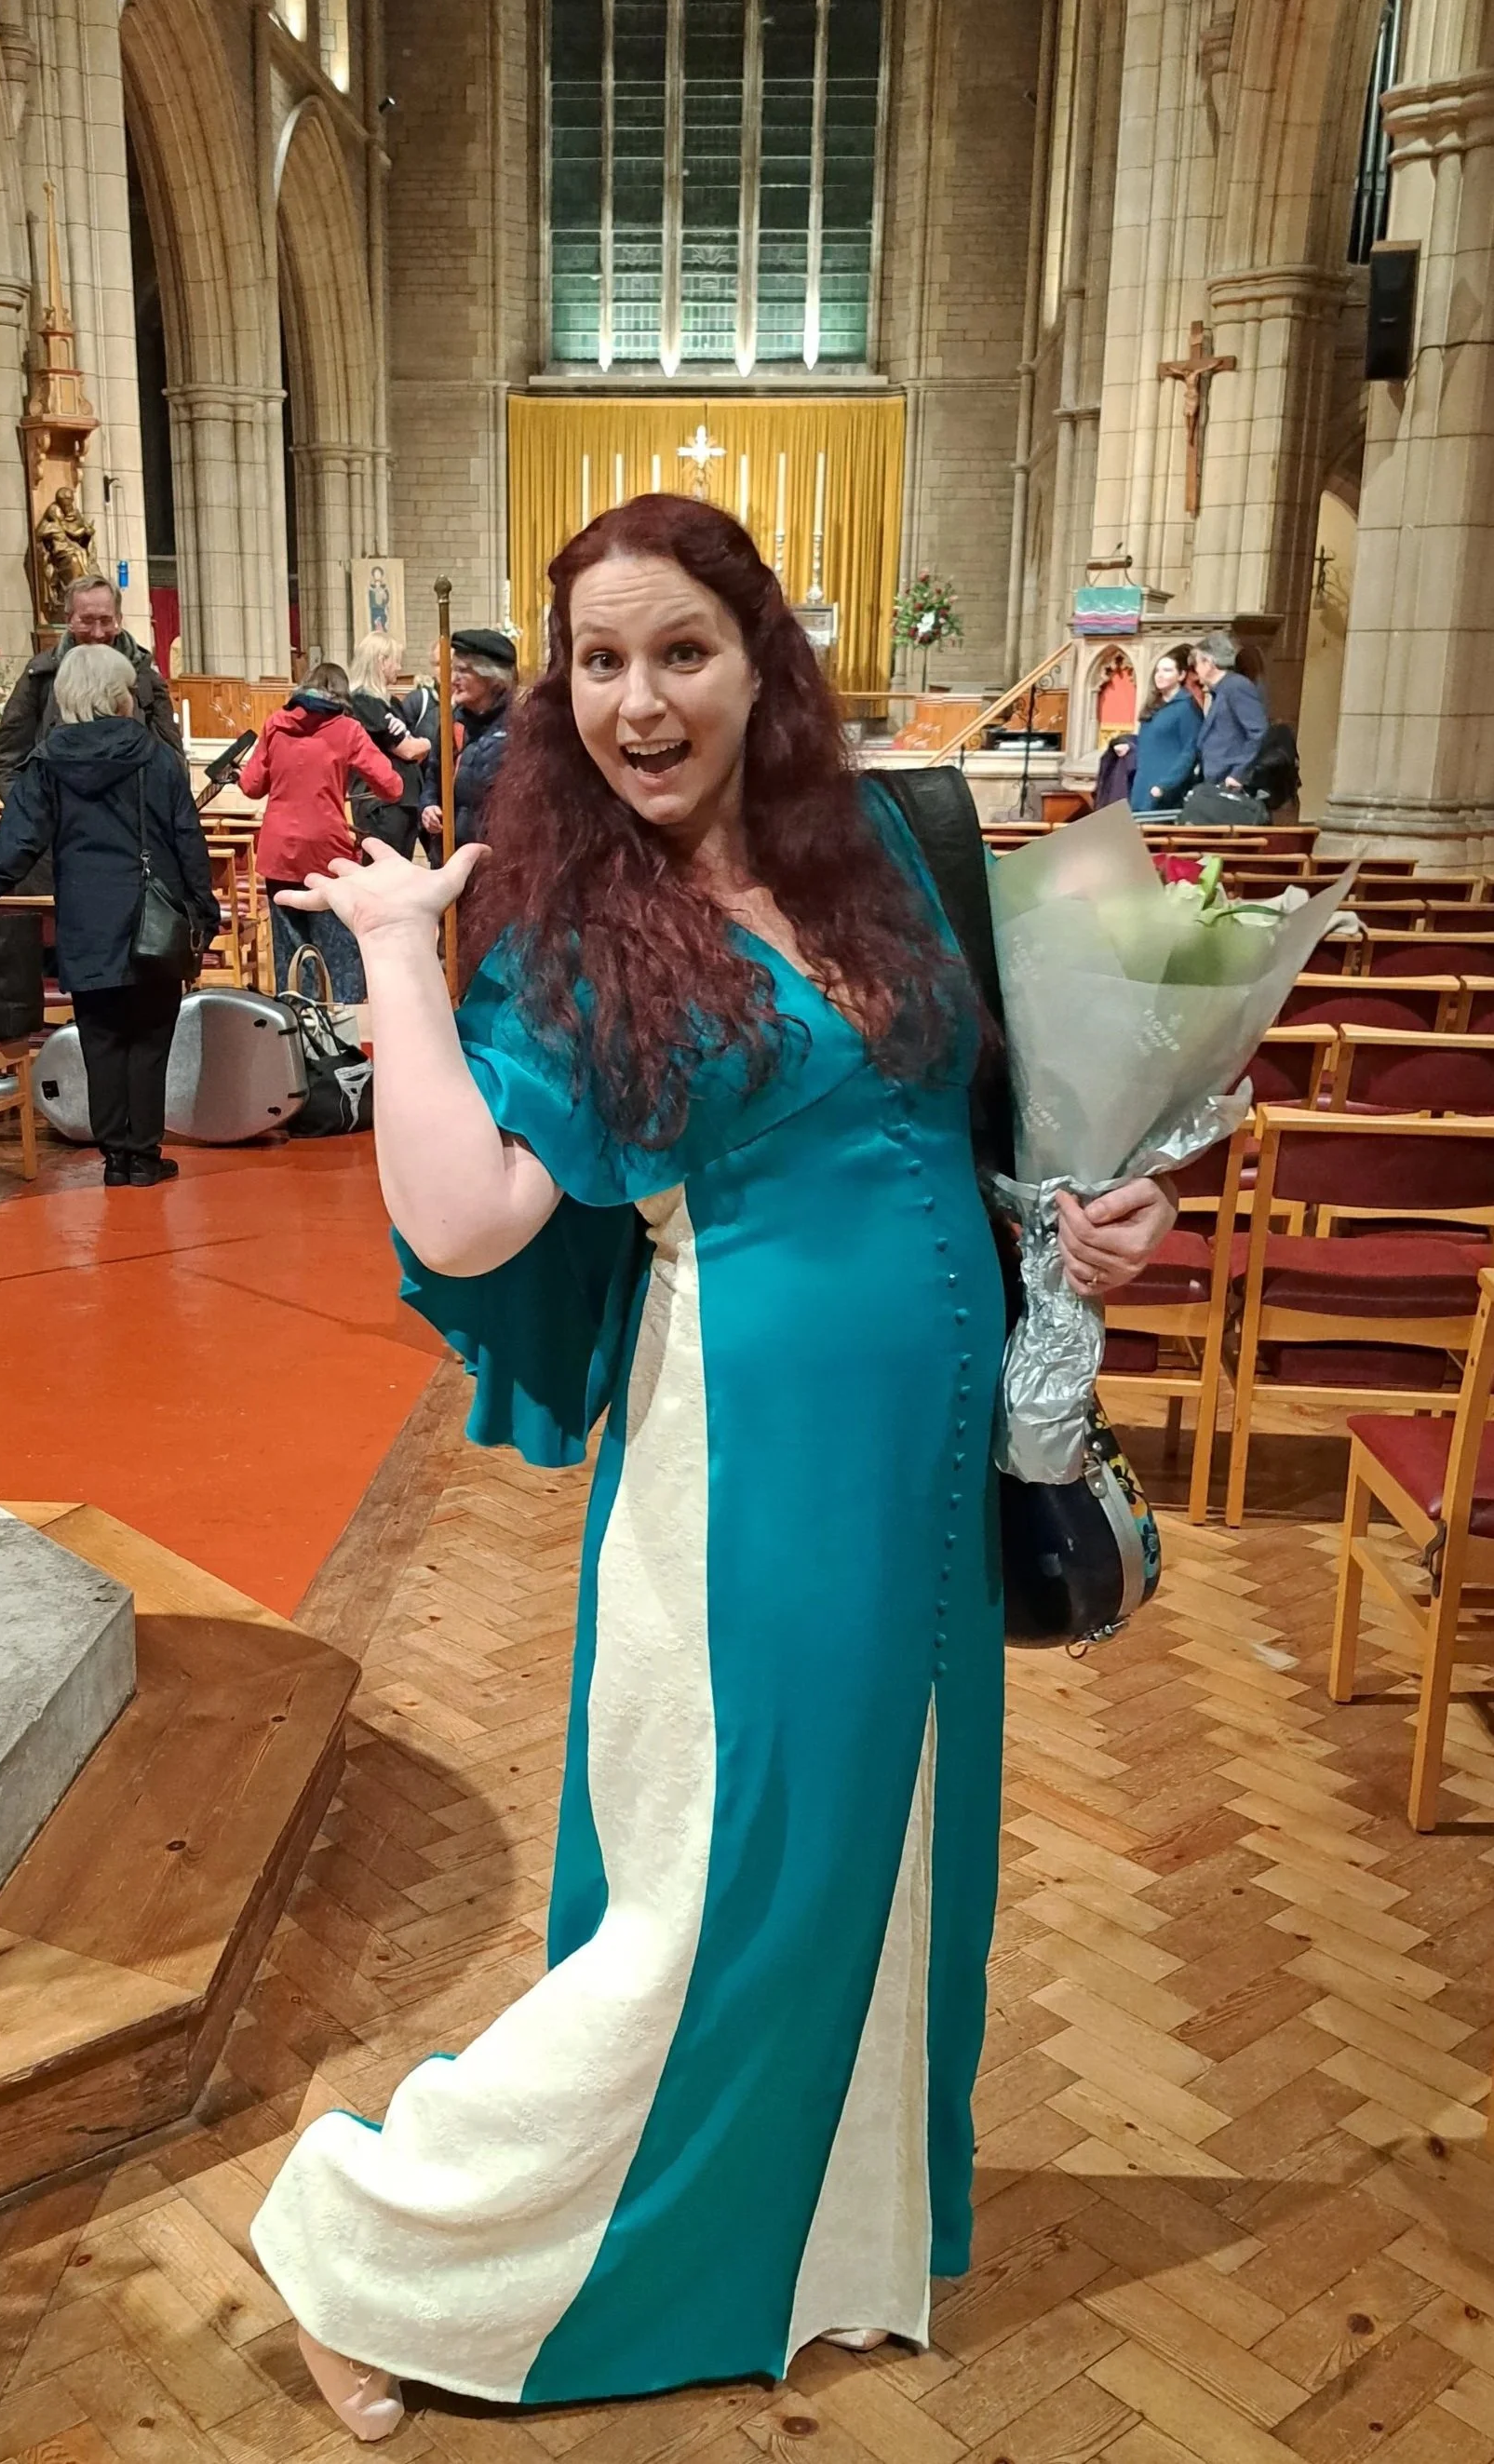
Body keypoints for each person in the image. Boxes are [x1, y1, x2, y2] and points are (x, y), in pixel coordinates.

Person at [249, 495, 1175, 2439]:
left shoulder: (889, 857)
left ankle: (820, 2244)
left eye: (681, 652)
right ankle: (365, 2240)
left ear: (764, 663)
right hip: (745, 1483)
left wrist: (1087, 1224)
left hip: (919, 1473)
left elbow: (976, 1129)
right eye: (598, 661)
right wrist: (408, 957)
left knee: (883, 1860)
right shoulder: (585, 931)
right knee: (722, 1894)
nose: (637, 700)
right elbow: (476, 1212)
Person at [0, 644, 218, 1188]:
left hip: (85, 921)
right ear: (118, 696)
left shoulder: (46, 763)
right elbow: (188, 838)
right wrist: (202, 913)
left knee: (100, 1039)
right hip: (153, 917)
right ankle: (143, 1157)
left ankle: (115, 1158)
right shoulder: (156, 756)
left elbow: (16, 845)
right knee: (148, 1040)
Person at [239, 660, 400, 1003]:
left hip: (279, 851)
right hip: (327, 853)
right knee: (338, 950)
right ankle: (344, 1031)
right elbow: (392, 787)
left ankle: (296, 1031)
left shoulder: (275, 725)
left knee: (289, 953)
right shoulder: (347, 730)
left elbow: (252, 786)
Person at [0, 575, 184, 799]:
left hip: (131, 823)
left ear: (118, 619)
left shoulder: (145, 678)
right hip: (57, 824)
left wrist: (149, 818)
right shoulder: (42, 675)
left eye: (106, 620)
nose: (98, 633)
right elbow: (7, 759)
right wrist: (31, 813)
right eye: (87, 620)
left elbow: (173, 764)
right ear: (69, 619)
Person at [419, 627, 515, 852]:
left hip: (494, 858)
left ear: (492, 677)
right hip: (448, 853)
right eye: (453, 670)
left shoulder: (518, 727)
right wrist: (428, 806)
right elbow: (433, 776)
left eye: (464, 671)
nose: (453, 679)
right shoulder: (452, 722)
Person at [347, 637, 433, 859]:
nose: (399, 667)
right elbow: (408, 750)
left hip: (404, 800)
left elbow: (412, 748)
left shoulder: (390, 703)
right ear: (381, 661)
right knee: (382, 874)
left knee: (401, 874)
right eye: (395, 661)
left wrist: (417, 745)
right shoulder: (362, 702)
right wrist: (429, 743)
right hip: (380, 804)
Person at [1190, 634, 1267, 799]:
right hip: (1215, 777)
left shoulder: (1237, 686)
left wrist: (1239, 774)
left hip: (1229, 780)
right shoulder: (1221, 690)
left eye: (1196, 664)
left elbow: (1258, 732)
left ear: (1208, 663)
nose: (1196, 672)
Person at [1128, 648, 1204, 815]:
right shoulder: (1154, 705)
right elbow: (1148, 741)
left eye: (1167, 670)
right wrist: (1126, 744)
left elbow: (1190, 752)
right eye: (1158, 671)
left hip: (1165, 788)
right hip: (1143, 783)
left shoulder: (1186, 707)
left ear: (1182, 675)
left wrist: (1165, 785)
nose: (1160, 675)